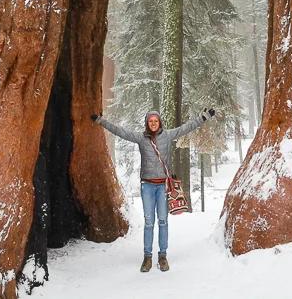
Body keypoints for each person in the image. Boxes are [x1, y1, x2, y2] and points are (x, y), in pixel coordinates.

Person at [91, 108, 216, 273]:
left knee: (163, 221)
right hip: (147, 186)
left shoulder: (168, 135)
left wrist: (204, 117)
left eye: (155, 121)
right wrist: (101, 121)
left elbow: (187, 127)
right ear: (147, 123)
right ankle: (147, 257)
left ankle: (162, 256)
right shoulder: (141, 138)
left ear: (160, 122)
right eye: (150, 121)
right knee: (149, 223)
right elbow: (120, 131)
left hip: (163, 186)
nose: (153, 123)